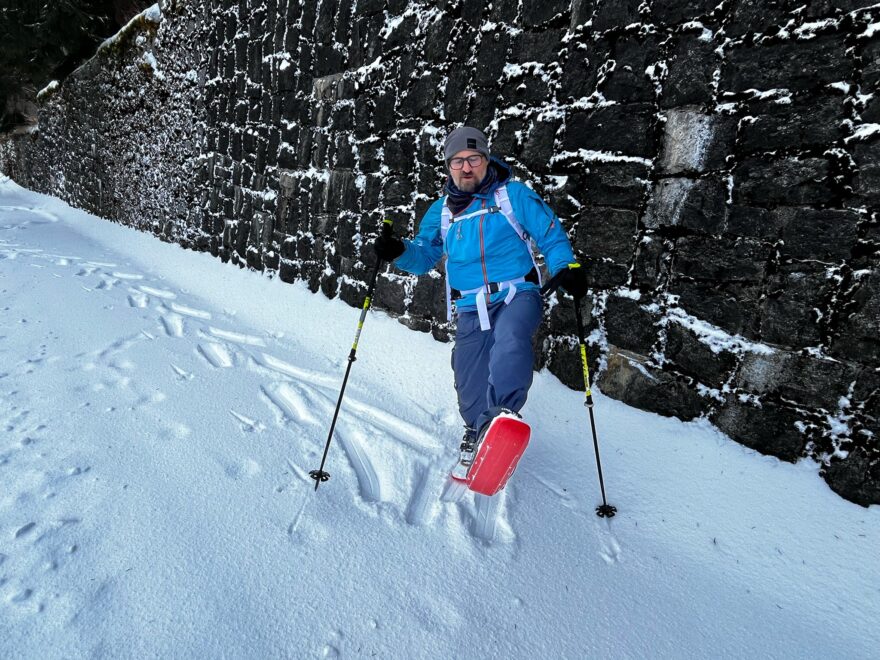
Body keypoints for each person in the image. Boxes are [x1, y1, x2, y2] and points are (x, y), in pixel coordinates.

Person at [372, 126, 587, 476]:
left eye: (473, 158)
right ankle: (478, 431)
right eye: (457, 161)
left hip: (517, 293)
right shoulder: (441, 212)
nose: (466, 167)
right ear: (448, 167)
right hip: (470, 305)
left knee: (510, 340)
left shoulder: (512, 196)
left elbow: (551, 235)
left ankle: (501, 419)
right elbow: (423, 256)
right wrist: (398, 250)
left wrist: (567, 267)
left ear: (486, 160)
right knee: (467, 378)